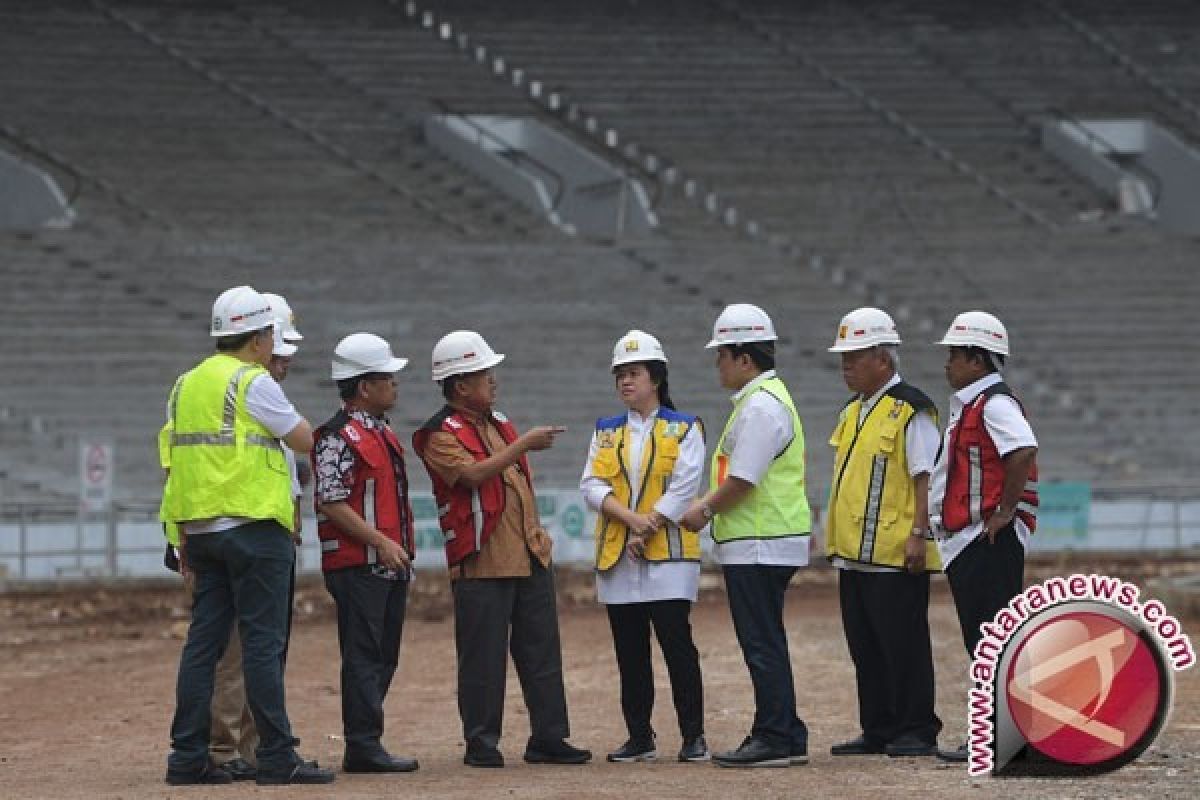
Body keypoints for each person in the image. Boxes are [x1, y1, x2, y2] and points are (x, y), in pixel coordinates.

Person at [159, 286, 333, 785]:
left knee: (204, 645)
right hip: (253, 529)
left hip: (201, 531)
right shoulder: (251, 381)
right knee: (262, 644)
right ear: (259, 337)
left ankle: (187, 758)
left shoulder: (185, 384)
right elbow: (302, 438)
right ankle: (276, 757)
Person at [411, 330, 591, 768]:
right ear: (459, 386)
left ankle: (549, 737)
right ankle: (481, 743)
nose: (494, 380)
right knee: (482, 659)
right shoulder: (438, 434)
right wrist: (522, 444)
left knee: (542, 653)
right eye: (484, 373)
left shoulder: (497, 422)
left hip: (526, 553)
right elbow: (472, 477)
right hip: (481, 560)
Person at [680, 303, 811, 769]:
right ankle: (788, 733)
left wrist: (703, 509)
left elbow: (743, 480)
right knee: (768, 638)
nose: (718, 365)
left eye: (722, 356)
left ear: (744, 358)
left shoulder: (759, 406)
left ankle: (774, 735)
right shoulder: (769, 399)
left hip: (760, 541)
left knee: (761, 642)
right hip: (767, 538)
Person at [580, 330, 709, 764]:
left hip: (670, 554)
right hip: (620, 556)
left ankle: (694, 735)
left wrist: (650, 524)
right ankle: (640, 736)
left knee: (678, 646)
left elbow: (686, 484)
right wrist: (634, 522)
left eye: (633, 373)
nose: (624, 382)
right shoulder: (605, 430)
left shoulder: (685, 426)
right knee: (629, 651)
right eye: (619, 374)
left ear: (655, 377)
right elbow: (591, 484)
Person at [823, 308, 942, 758]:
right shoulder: (853, 411)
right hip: (854, 554)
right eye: (844, 358)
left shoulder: (911, 409)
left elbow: (924, 476)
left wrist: (918, 534)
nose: (845, 366)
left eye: (854, 357)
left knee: (904, 644)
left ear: (883, 358)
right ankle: (878, 727)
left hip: (895, 553)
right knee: (866, 646)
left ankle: (917, 728)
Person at [928, 311, 1039, 764]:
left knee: (994, 638)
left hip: (987, 537)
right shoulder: (975, 403)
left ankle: (1006, 738)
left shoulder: (993, 403)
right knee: (986, 639)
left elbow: (1023, 449)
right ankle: (1002, 734)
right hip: (971, 537)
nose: (948, 364)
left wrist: (1005, 511)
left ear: (977, 359)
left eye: (954, 355)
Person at [313, 333, 419, 774]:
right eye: (387, 377)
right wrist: (380, 542)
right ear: (364, 387)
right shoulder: (338, 436)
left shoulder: (382, 431)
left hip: (386, 562)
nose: (395, 384)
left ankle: (365, 741)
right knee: (363, 654)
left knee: (383, 654)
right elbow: (331, 500)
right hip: (359, 565)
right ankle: (362, 744)